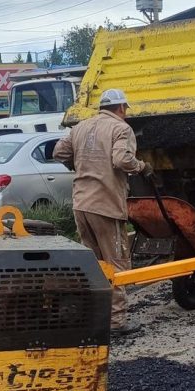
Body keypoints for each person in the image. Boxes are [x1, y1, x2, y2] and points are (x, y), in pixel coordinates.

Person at [54, 88, 153, 336]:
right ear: (121, 108)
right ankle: (117, 322)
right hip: (105, 205)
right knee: (116, 262)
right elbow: (121, 160)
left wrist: (79, 164)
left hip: (81, 204)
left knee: (94, 264)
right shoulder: (121, 129)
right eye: (125, 109)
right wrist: (141, 167)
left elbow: (59, 152)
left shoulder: (80, 127)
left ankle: (93, 316)